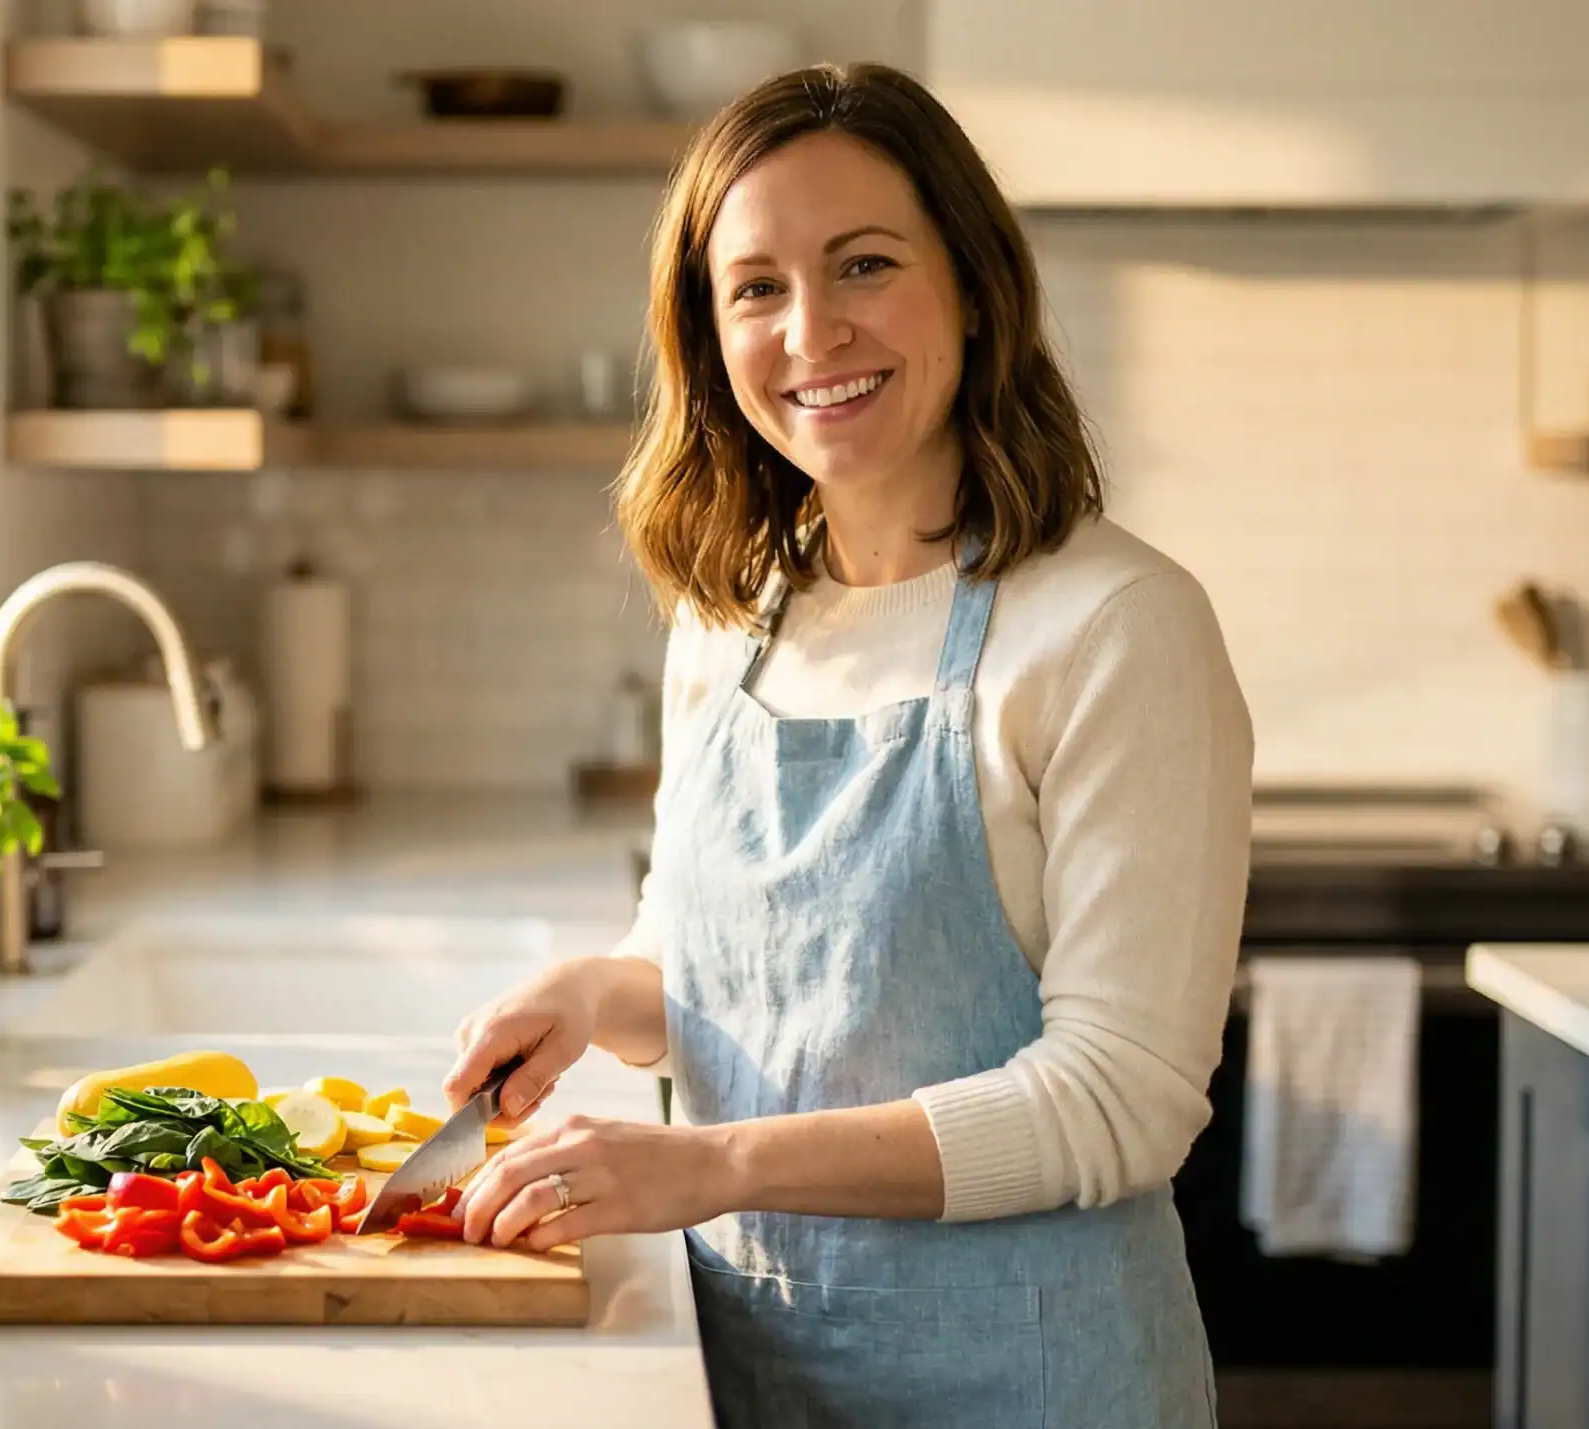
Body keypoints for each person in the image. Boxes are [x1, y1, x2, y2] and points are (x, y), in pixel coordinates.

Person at [443, 61, 1251, 1428]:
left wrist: (715, 1167)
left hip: (1036, 1390)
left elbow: (1121, 1099)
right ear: (708, 336)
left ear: (976, 288)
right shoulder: (728, 618)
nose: (811, 331)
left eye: (864, 264)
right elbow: (726, 979)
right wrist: (592, 995)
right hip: (754, 1372)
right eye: (755, 286)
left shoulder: (1116, 626)